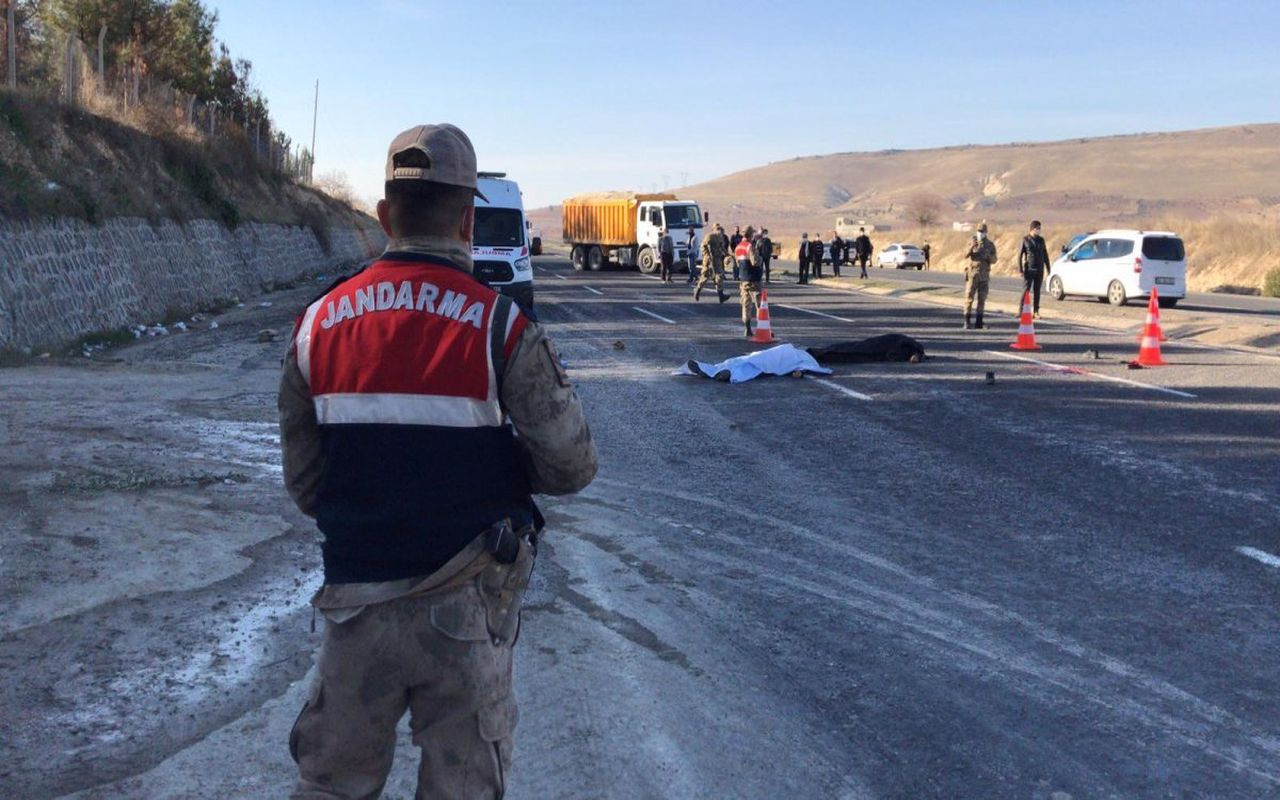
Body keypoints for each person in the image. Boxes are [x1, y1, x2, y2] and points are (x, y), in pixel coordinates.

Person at [278, 122, 598, 799]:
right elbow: (571, 466)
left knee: (330, 786)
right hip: (465, 614)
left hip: (353, 609)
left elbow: (307, 485)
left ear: (385, 215)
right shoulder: (501, 326)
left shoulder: (317, 324)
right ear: (468, 219)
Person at [963, 221, 998, 329]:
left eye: (982, 231)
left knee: (982, 299)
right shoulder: (971, 241)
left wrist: (988, 256)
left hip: (984, 275)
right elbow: (964, 255)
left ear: (986, 232)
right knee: (969, 298)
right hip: (973, 274)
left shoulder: (990, 245)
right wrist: (971, 247)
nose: (980, 233)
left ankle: (979, 321)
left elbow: (994, 259)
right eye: (979, 231)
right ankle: (967, 321)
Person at [1017, 220, 1051, 317]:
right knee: (1026, 290)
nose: (1039, 230)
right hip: (1029, 269)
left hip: (1039, 269)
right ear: (1032, 229)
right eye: (1037, 228)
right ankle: (1021, 311)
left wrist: (1049, 269)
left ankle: (1036, 311)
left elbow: (1045, 255)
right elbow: (1019, 255)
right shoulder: (1025, 240)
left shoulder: (1041, 240)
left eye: (1040, 228)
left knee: (1037, 291)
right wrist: (1020, 269)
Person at [736, 225, 763, 337]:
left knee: (746, 304)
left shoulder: (738, 247)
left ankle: (747, 328)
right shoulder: (750, 246)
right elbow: (755, 262)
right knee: (759, 305)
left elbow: (738, 263)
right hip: (754, 279)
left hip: (743, 279)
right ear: (751, 235)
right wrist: (760, 257)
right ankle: (762, 328)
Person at [696, 223, 731, 303]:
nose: (719, 231)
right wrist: (707, 256)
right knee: (705, 276)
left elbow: (722, 247)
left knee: (719, 276)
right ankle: (698, 290)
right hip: (709, 260)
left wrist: (727, 254)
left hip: (717, 259)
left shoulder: (720, 237)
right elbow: (703, 246)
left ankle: (721, 295)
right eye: (718, 229)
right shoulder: (709, 236)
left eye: (720, 229)